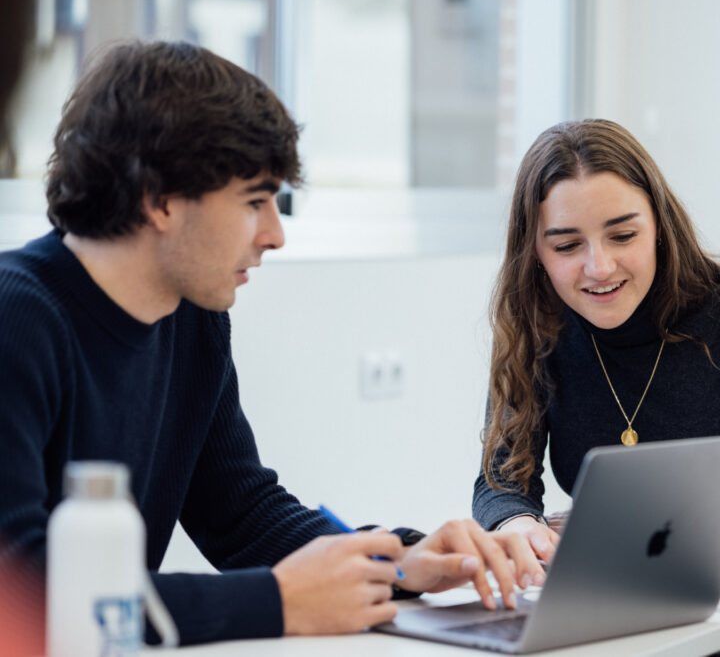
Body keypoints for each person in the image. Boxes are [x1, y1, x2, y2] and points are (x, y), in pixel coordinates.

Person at [0, 40, 543, 648]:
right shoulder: (16, 317)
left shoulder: (191, 319)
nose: (275, 236)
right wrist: (278, 601)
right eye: (255, 201)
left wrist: (397, 561)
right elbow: (19, 591)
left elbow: (242, 514)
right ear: (159, 199)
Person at [472, 119, 720, 560]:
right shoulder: (538, 326)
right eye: (567, 246)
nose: (600, 267)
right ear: (534, 252)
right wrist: (517, 523)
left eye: (623, 236)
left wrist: (615, 521)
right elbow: (502, 482)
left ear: (659, 225)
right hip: (612, 588)